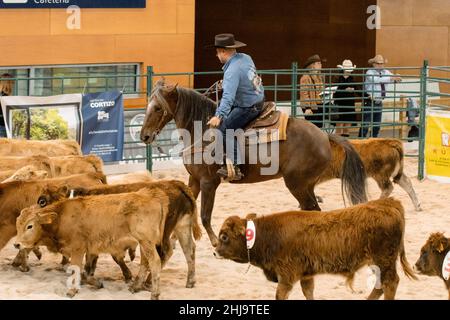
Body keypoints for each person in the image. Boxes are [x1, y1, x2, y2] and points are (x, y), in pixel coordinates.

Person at [206, 33, 265, 180]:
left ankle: (236, 166)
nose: (216, 55)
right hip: (258, 98)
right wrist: (226, 84)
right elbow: (246, 78)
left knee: (224, 129)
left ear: (223, 51)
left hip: (248, 106)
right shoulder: (245, 57)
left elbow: (228, 98)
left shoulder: (232, 71)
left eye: (217, 52)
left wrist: (218, 116)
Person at [359, 54, 402, 138]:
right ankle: (361, 142)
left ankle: (374, 141)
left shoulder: (386, 72)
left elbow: (392, 78)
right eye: (378, 63)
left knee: (376, 125)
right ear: (374, 64)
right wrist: (391, 78)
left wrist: (397, 78)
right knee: (365, 125)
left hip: (379, 102)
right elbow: (376, 80)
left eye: (382, 64)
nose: (380, 65)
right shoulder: (369, 72)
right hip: (369, 101)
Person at [300, 54, 325, 128]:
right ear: (312, 65)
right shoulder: (305, 78)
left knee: (319, 126)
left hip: (319, 104)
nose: (321, 65)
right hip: (310, 106)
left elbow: (321, 90)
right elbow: (304, 93)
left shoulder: (319, 77)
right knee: (312, 127)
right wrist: (307, 108)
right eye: (318, 63)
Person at [333, 60, 358, 137]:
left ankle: (345, 144)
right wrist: (345, 90)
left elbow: (357, 89)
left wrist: (366, 95)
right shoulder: (337, 78)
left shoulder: (352, 79)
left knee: (347, 127)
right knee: (339, 127)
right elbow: (334, 90)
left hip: (349, 103)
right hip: (340, 103)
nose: (348, 72)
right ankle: (338, 144)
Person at [0, 73, 14, 137]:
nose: (13, 85)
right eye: (12, 83)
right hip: (3, 126)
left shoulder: (4, 96)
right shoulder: (4, 97)